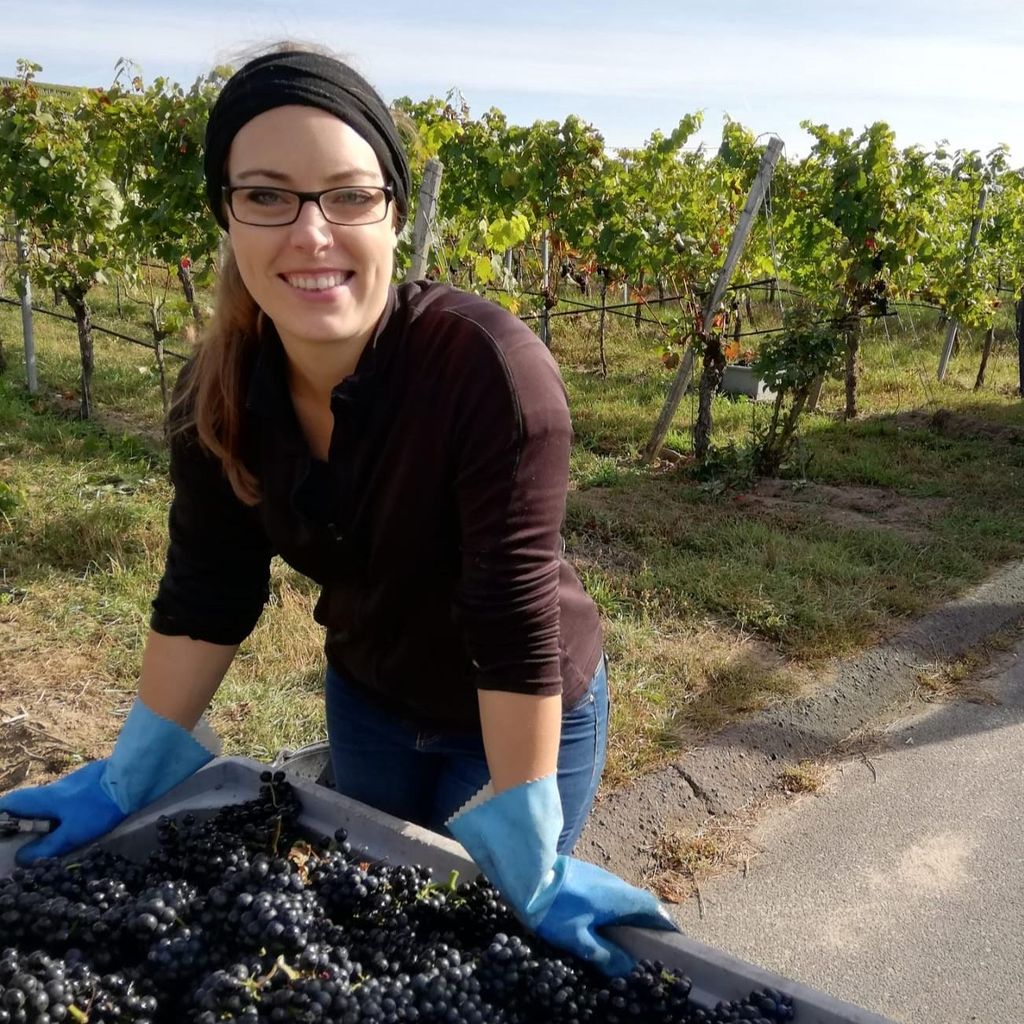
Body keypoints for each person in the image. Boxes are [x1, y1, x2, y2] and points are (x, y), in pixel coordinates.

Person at [0, 46, 675, 973]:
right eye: (268, 195)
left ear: (394, 212)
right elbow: (207, 590)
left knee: (480, 947)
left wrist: (526, 819)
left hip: (519, 708)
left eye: (349, 195)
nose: (312, 234)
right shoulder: (220, 394)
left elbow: (511, 611)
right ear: (225, 215)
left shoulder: (488, 372)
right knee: (372, 925)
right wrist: (134, 770)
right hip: (369, 697)